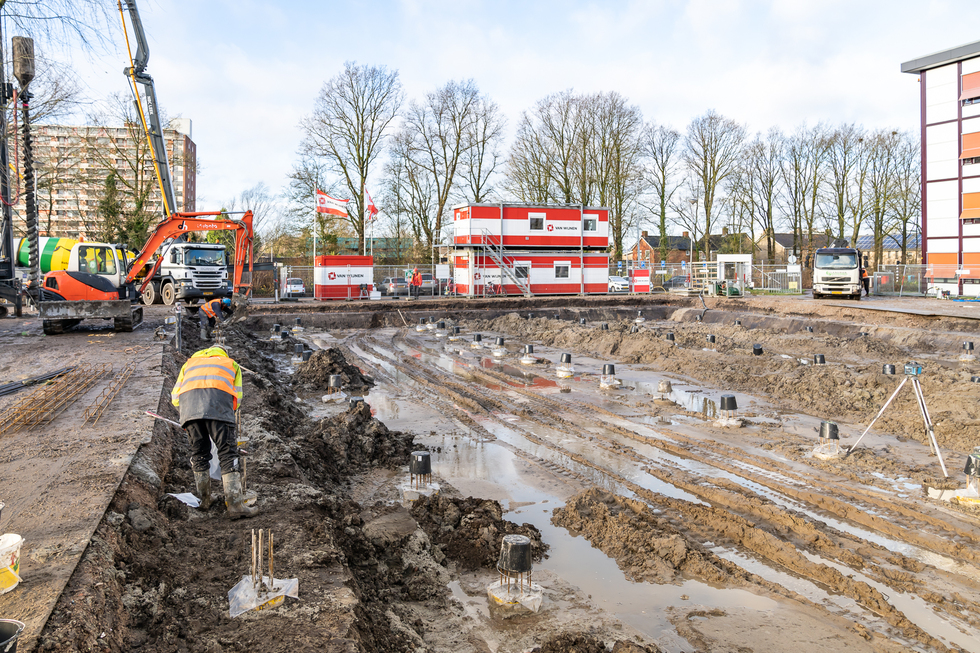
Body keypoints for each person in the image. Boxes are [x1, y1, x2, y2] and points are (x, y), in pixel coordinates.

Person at [171, 344, 257, 518]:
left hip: (189, 412)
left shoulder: (189, 363)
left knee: (199, 453)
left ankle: (204, 500)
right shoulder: (230, 363)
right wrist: (226, 415)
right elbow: (237, 397)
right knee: (227, 453)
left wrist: (191, 412)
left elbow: (175, 398)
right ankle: (235, 505)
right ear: (224, 352)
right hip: (219, 410)